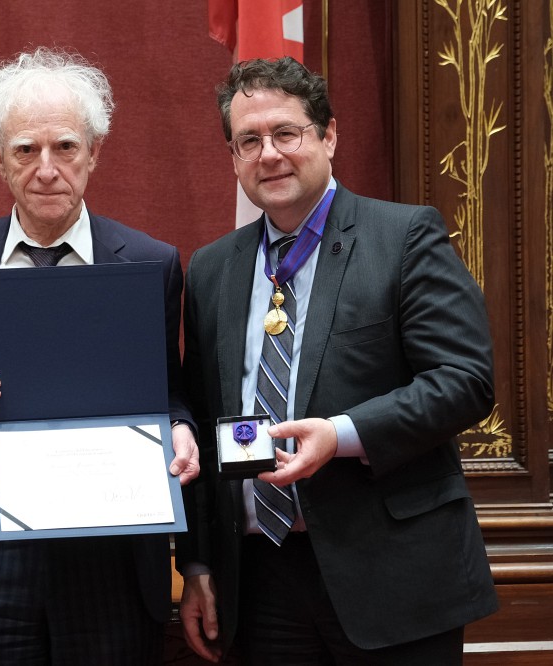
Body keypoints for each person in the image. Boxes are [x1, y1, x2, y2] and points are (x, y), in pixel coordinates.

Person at [177, 57, 497, 664]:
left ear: (328, 136)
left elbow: (465, 381)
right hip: (259, 580)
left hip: (391, 575)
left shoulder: (403, 238)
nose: (268, 153)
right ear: (234, 158)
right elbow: (198, 414)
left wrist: (341, 434)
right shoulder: (212, 268)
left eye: (286, 133)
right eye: (249, 140)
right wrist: (195, 562)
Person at [0, 47, 199, 666]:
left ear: (93, 153)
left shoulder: (150, 262)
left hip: (111, 548)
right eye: (25, 150)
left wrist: (182, 428)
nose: (46, 168)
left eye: (65, 147)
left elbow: (172, 388)